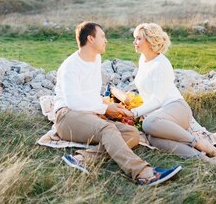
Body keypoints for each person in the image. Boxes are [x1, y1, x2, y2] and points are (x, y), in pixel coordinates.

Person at [54, 21, 182, 186]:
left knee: (132, 134)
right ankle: (143, 173)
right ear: (90, 39)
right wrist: (105, 108)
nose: (106, 40)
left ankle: (82, 158)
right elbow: (73, 102)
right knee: (108, 128)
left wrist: (107, 107)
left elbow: (90, 94)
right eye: (102, 36)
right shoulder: (70, 66)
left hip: (88, 115)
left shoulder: (96, 59)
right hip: (67, 117)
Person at [130, 23, 216, 166]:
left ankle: (200, 144)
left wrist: (133, 113)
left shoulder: (161, 64)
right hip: (159, 116)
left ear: (150, 41)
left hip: (176, 108)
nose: (134, 42)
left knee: (149, 123)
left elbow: (158, 99)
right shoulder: (143, 60)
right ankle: (204, 159)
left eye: (138, 39)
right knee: (154, 139)